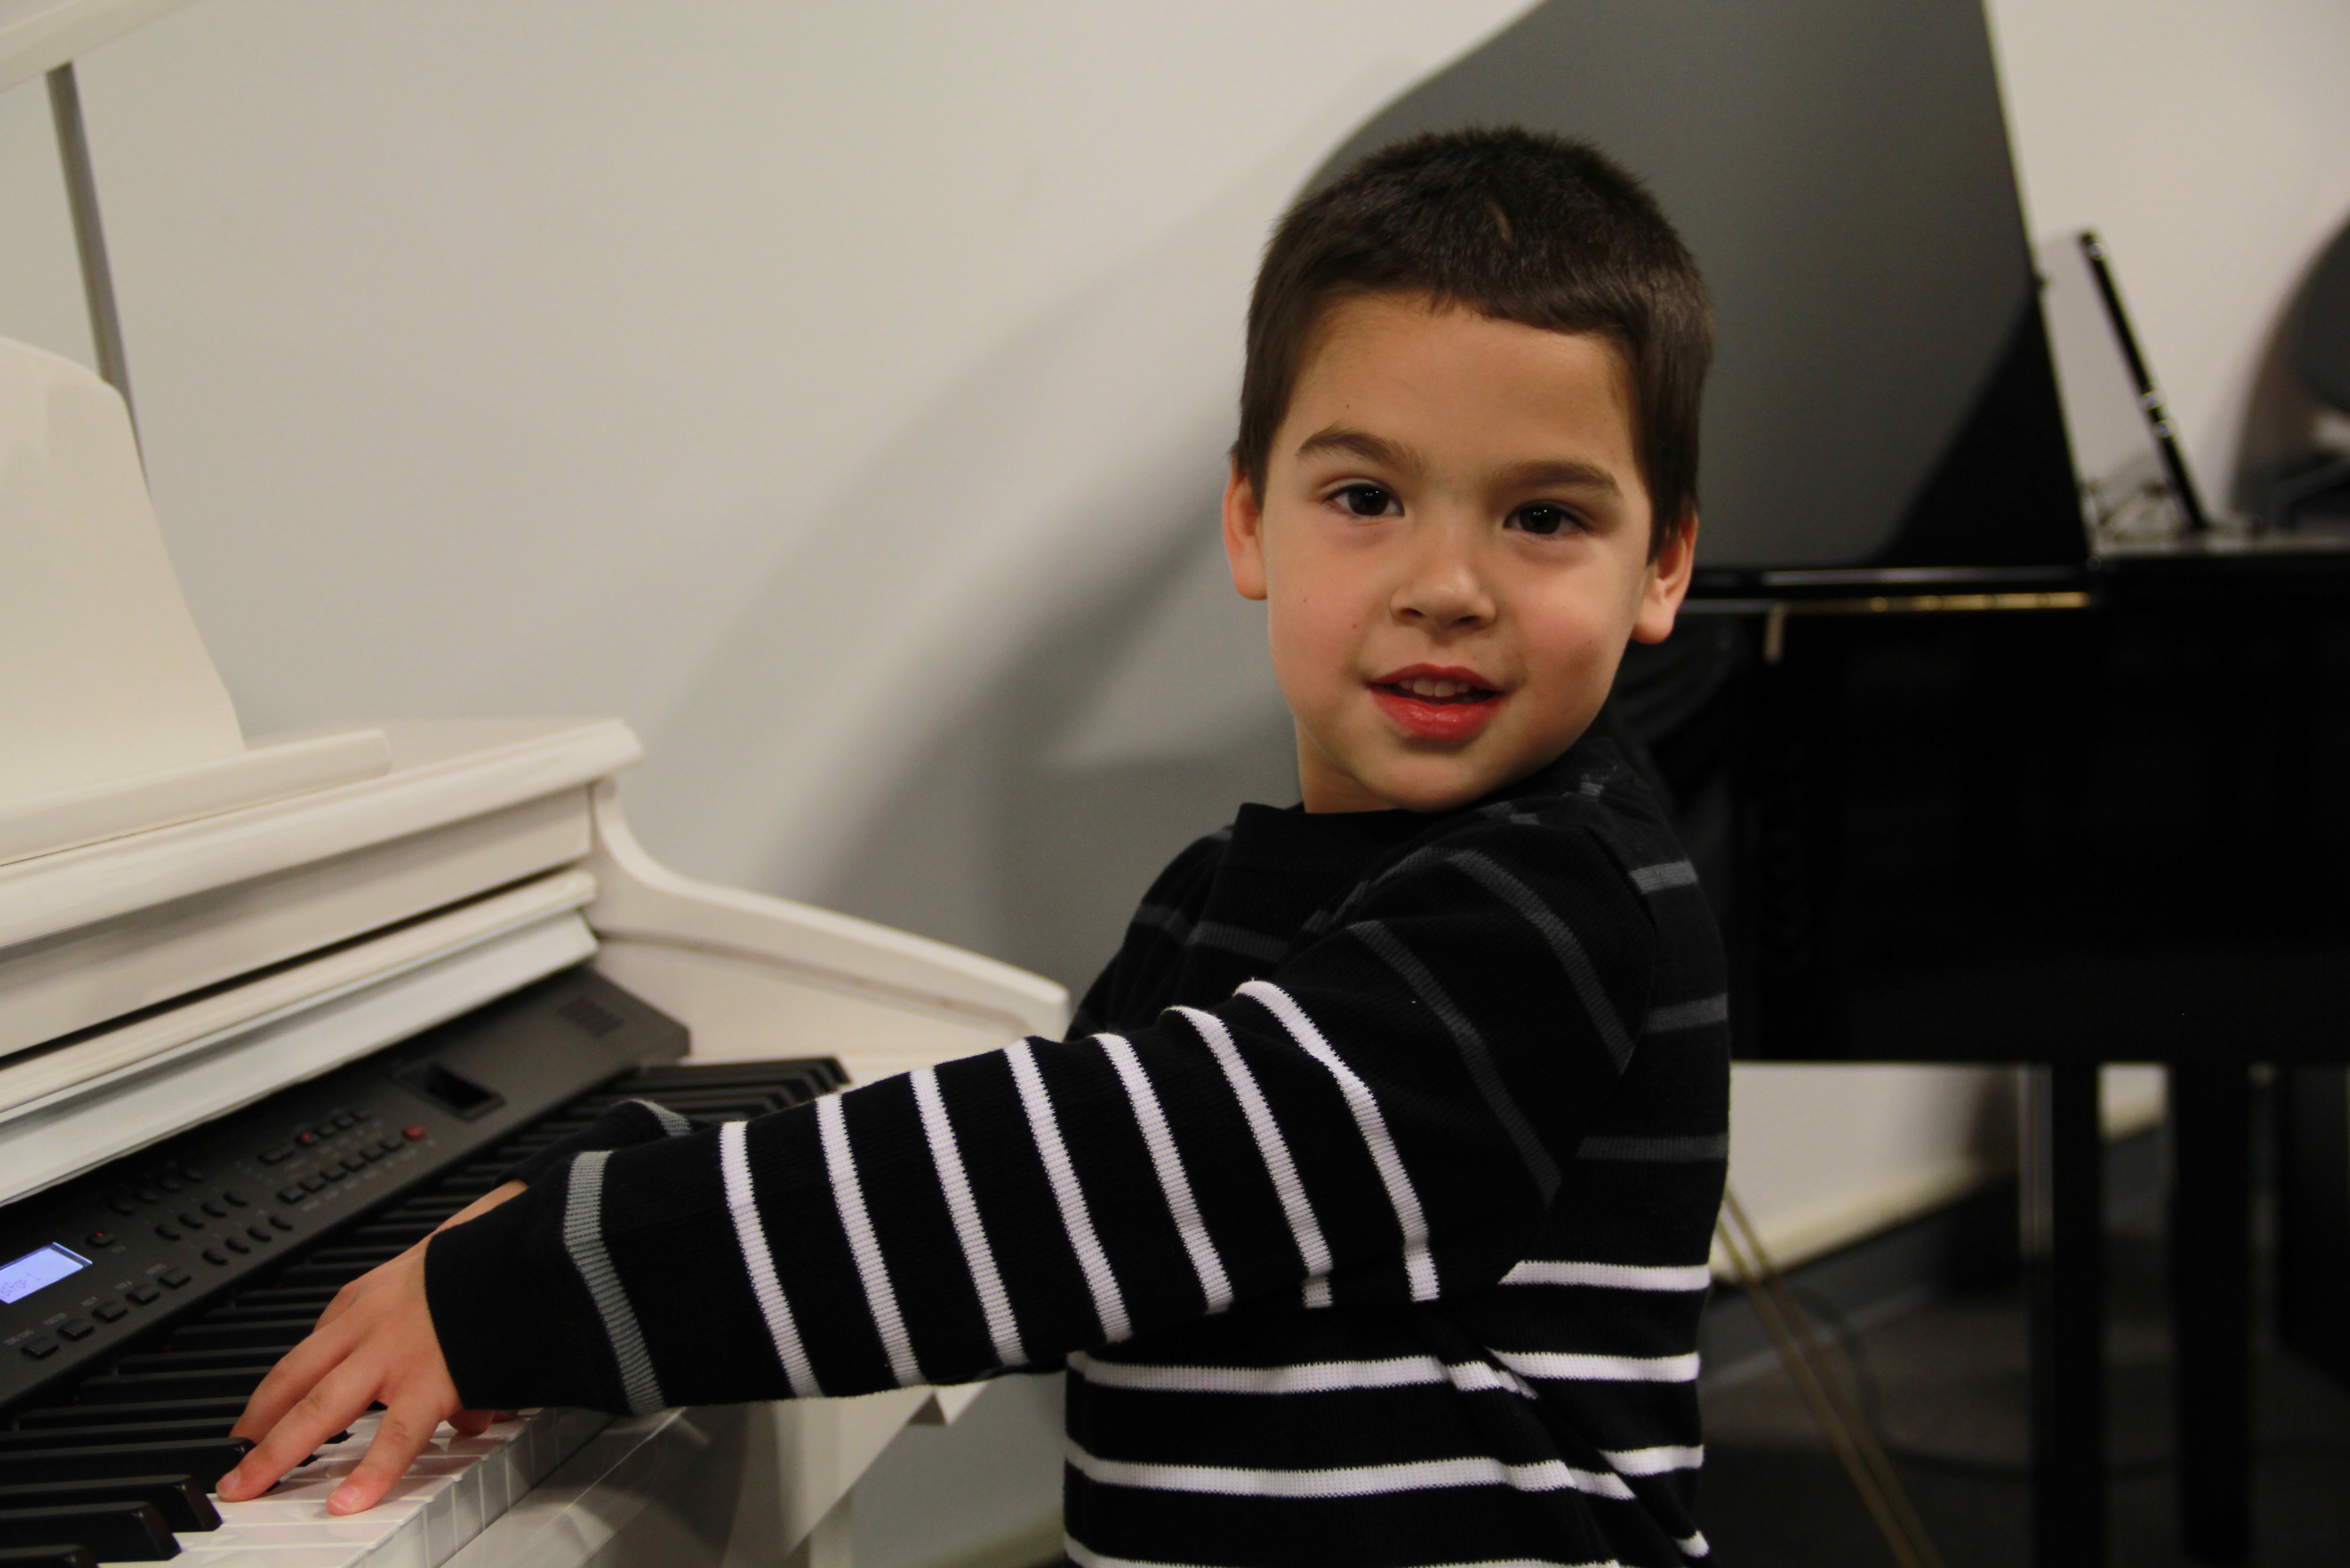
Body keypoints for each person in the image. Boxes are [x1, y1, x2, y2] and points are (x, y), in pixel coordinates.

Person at [223, 126, 1728, 1568]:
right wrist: (617, 1183)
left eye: (1543, 517)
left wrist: (562, 1270)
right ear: (1249, 523)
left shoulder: (1558, 906)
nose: (1447, 584)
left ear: (1662, 563)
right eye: (1366, 498)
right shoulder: (1216, 900)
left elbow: (1088, 1188)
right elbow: (1031, 1217)